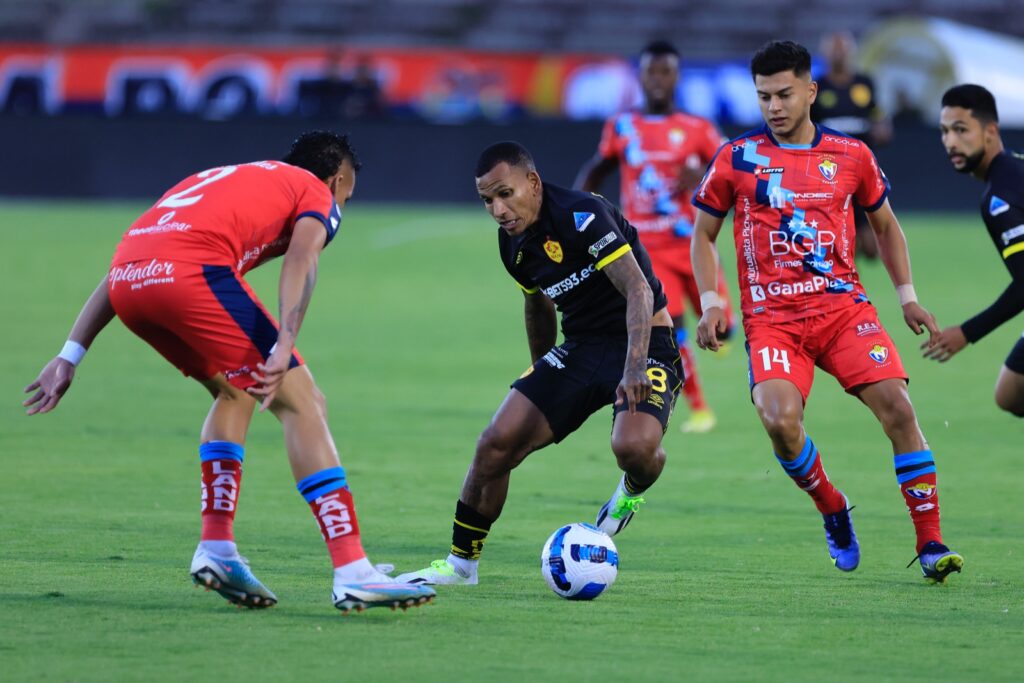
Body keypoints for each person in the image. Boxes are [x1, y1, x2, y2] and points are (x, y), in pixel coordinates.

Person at [22, 131, 436, 613]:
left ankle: (217, 548)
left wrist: (70, 354)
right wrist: (284, 342)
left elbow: (128, 259)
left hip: (130, 287)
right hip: (191, 274)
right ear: (338, 178)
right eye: (347, 194)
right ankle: (352, 569)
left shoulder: (217, 178)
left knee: (235, 391)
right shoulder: (315, 190)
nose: (341, 204)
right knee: (302, 401)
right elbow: (304, 257)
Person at [690, 41, 963, 582]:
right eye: (764, 96)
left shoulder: (852, 154)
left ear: (810, 91)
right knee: (779, 422)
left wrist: (907, 297)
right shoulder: (736, 157)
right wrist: (712, 303)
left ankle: (931, 544)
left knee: (900, 411)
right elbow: (703, 234)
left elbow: (884, 225)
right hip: (773, 321)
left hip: (842, 311)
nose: (773, 106)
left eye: (784, 94)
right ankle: (832, 507)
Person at [395, 141, 682, 585]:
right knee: (495, 442)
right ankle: (460, 565)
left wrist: (635, 365)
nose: (497, 209)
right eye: (487, 200)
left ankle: (628, 494)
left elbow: (639, 290)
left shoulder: (583, 215)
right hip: (583, 347)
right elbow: (538, 306)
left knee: (634, 449)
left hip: (646, 341)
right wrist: (544, 377)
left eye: (504, 194)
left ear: (532, 183)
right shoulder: (513, 246)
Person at [576, 40, 734, 434]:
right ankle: (699, 408)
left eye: (666, 72)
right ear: (641, 77)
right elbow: (597, 169)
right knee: (670, 327)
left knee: (724, 328)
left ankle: (722, 338)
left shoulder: (698, 128)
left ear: (677, 77)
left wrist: (702, 177)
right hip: (646, 250)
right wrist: (577, 213)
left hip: (694, 243)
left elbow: (733, 170)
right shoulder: (622, 126)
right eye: (651, 72)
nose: (658, 80)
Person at [927, 84, 1024, 417]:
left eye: (961, 130)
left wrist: (967, 333)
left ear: (990, 131)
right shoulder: (1015, 170)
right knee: (1011, 392)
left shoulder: (999, 200)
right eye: (944, 132)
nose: (950, 142)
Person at [810, 32, 892, 260]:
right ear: (825, 55)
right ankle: (848, 287)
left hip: (861, 171)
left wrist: (882, 129)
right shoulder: (818, 87)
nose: (839, 55)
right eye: (834, 50)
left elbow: (879, 116)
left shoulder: (864, 84)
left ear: (851, 54)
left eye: (843, 50)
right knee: (841, 242)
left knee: (871, 249)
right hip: (829, 173)